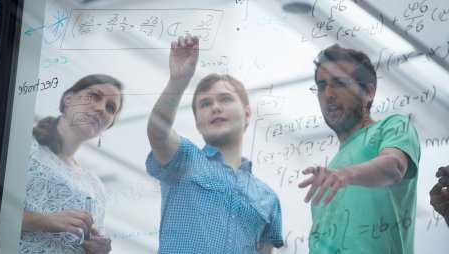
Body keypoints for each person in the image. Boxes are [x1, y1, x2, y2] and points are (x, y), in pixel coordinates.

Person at [145, 35, 283, 254]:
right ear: (197, 122)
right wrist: (178, 81)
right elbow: (157, 133)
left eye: (225, 99)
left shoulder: (268, 197)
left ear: (247, 114)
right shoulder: (184, 158)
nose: (215, 107)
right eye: (205, 104)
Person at [0, 74, 123, 253]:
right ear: (68, 99)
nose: (101, 109)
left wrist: (96, 250)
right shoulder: (17, 143)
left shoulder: (96, 186)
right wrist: (40, 220)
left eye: (110, 108)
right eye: (95, 96)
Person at [298, 44, 420, 253]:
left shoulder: (393, 125)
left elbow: (394, 166)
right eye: (321, 86)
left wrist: (344, 174)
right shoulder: (329, 173)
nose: (328, 94)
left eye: (339, 83)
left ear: (368, 92)